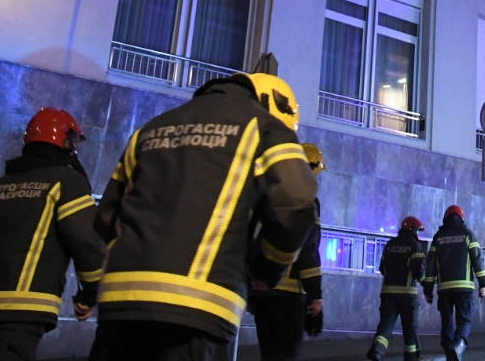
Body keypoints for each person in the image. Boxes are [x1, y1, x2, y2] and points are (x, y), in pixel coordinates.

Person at [91, 71, 318, 361]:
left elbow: (106, 217)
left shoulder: (150, 129)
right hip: (195, 304)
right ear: (274, 104)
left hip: (120, 302)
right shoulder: (265, 128)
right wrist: (266, 269)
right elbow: (296, 202)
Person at [0, 108, 107, 360]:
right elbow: (85, 240)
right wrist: (90, 294)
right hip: (22, 307)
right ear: (66, 141)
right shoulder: (66, 181)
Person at [245, 142, 325, 361]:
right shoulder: (305, 200)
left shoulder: (267, 195)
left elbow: (250, 237)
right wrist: (315, 295)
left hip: (262, 291)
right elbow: (307, 248)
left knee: (268, 355)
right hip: (288, 296)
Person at [421, 206, 485, 361]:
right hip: (464, 288)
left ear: (446, 218)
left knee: (447, 323)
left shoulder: (438, 237)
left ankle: (450, 353)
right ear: (461, 218)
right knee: (464, 320)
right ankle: (459, 346)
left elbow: (430, 266)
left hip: (444, 289)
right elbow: (477, 260)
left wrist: (428, 289)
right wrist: (483, 283)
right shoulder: (468, 235)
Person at [367, 217, 427, 361]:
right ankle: (411, 357)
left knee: (386, 325)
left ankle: (377, 351)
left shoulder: (390, 245)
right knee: (410, 329)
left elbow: (382, 268)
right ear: (412, 229)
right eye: (417, 231)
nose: (417, 233)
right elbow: (419, 271)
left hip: (388, 294)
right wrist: (427, 283)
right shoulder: (415, 245)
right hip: (407, 295)